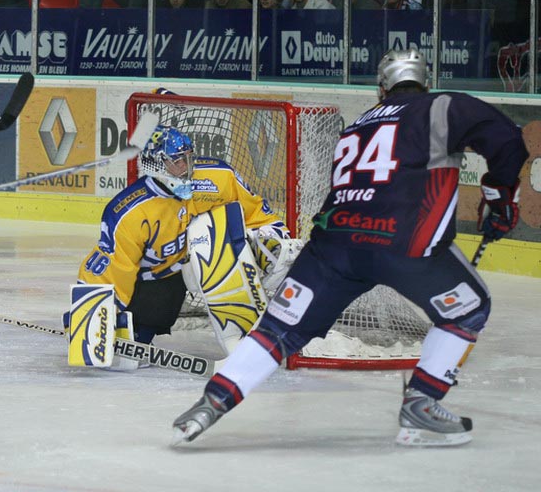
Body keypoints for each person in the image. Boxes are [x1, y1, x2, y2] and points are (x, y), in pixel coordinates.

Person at [172, 48, 529, 447]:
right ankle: (422, 406)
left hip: (333, 244)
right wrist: (499, 198)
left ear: (381, 89)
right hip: (402, 240)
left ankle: (212, 400)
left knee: (278, 329)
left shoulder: (357, 125)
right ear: (423, 82)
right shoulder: (441, 105)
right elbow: (509, 141)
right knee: (470, 307)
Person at [74, 124, 298, 352]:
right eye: (179, 161)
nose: (188, 168)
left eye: (190, 158)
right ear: (157, 163)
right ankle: (139, 331)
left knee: (226, 239)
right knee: (144, 320)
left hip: (191, 265)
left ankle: (249, 325)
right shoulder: (130, 212)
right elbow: (113, 265)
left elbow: (256, 213)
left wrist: (273, 239)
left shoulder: (217, 178)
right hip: (155, 281)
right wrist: (91, 315)